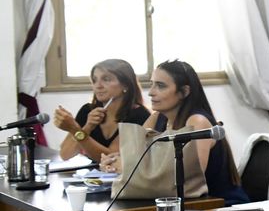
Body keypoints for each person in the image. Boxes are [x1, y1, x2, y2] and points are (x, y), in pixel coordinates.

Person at [141, 60, 249, 203]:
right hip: (182, 203)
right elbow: (133, 156)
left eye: (160, 86)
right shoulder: (156, 118)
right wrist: (113, 161)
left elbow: (190, 178)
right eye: (151, 84)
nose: (151, 92)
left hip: (219, 206)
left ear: (184, 92)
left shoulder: (197, 121)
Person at [52, 59, 150, 161]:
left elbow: (112, 158)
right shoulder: (87, 110)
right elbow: (65, 154)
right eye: (95, 80)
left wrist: (75, 129)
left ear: (125, 85)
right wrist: (87, 127)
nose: (98, 86)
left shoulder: (139, 115)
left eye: (106, 79)